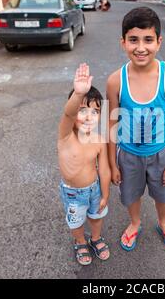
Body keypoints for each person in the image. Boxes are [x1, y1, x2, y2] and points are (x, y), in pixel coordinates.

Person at [106, 7, 165, 251]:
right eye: (133, 40)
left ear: (159, 42)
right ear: (123, 43)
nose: (141, 47)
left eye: (148, 39)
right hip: (128, 156)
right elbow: (110, 125)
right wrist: (111, 164)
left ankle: (163, 222)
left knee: (163, 196)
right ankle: (135, 223)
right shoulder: (115, 81)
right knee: (131, 195)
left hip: (161, 154)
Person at [57, 63, 111, 265]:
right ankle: (80, 241)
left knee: (97, 217)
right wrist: (79, 94)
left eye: (95, 112)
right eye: (83, 110)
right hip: (72, 192)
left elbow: (103, 168)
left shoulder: (99, 140)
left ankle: (95, 238)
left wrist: (105, 193)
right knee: (76, 221)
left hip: (94, 189)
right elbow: (68, 113)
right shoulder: (65, 135)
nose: (89, 116)